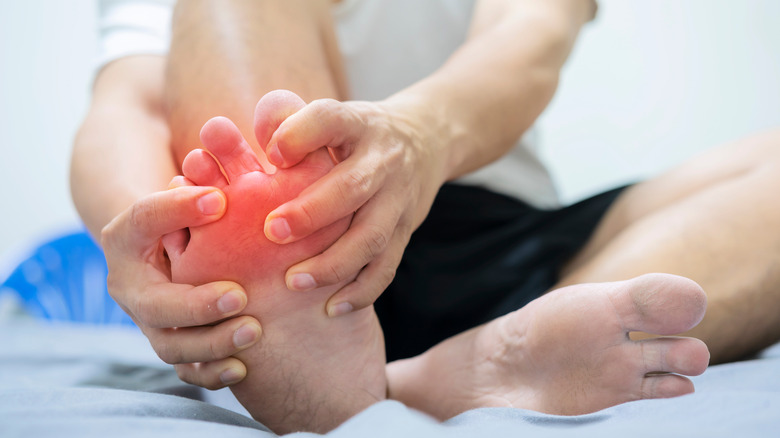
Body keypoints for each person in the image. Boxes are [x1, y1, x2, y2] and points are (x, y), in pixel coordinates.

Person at [70, 0, 778, 433]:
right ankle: (300, 324)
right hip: (305, 263)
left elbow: (527, 37)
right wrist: (147, 225)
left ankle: (462, 368)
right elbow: (128, 104)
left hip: (517, 247)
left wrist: (417, 135)